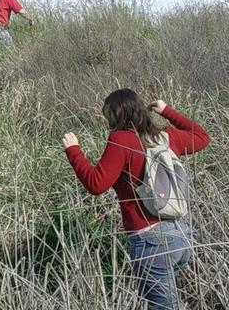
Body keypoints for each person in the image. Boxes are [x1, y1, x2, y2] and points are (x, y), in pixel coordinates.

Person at [61, 88, 211, 310]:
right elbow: (202, 137)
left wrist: (74, 151)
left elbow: (96, 184)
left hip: (150, 240)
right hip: (180, 234)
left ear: (115, 115)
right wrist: (167, 110)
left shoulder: (121, 140)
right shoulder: (165, 136)